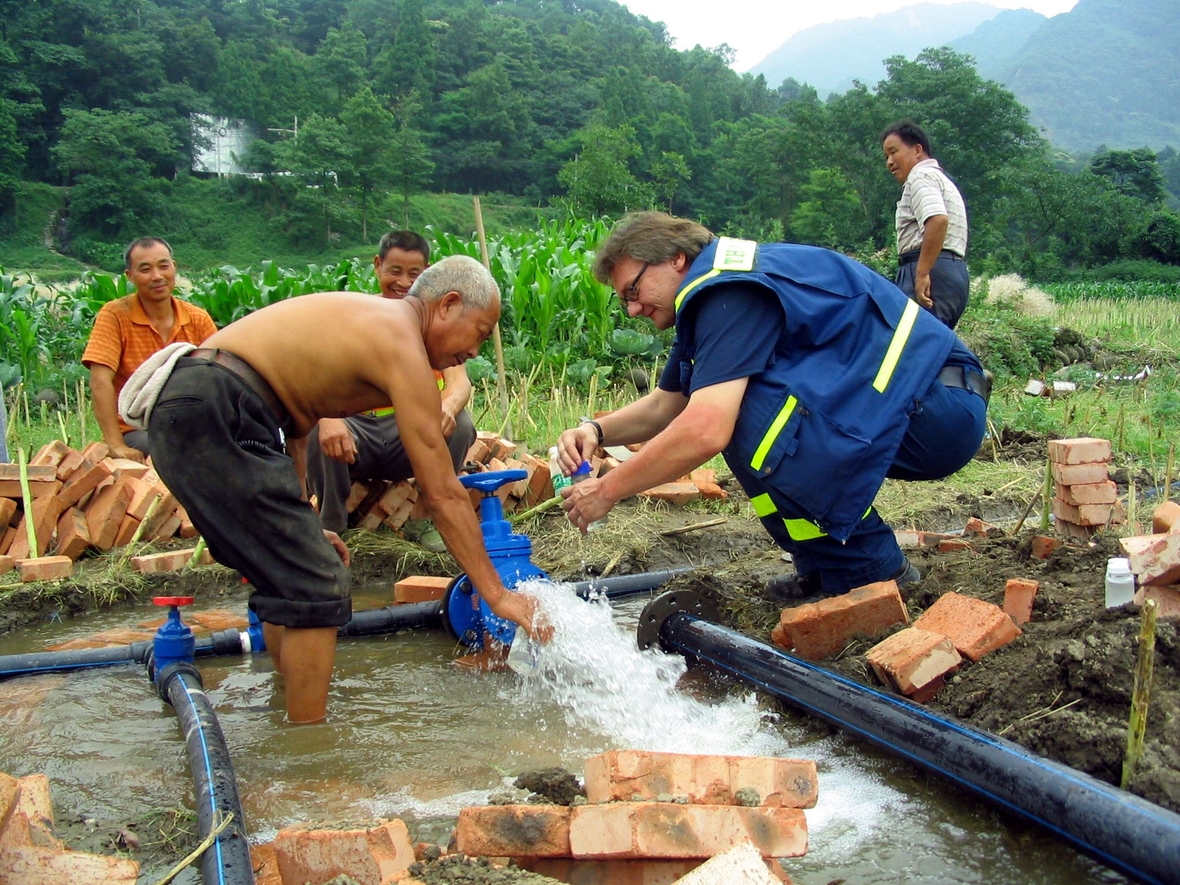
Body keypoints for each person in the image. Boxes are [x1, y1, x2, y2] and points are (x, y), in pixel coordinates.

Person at [126, 255, 544, 723]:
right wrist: (498, 595)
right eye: (480, 333)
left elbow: (297, 425)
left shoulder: (371, 327)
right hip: (216, 405)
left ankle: (289, 716)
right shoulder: (399, 339)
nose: (474, 352)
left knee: (290, 577)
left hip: (211, 408)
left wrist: (304, 518)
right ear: (447, 305)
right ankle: (308, 757)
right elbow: (443, 493)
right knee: (316, 583)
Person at [555, 212, 989, 601]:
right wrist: (596, 431)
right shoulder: (715, 290)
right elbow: (668, 404)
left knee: (741, 414)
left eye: (633, 289)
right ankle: (824, 564)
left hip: (938, 407)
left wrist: (608, 490)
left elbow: (705, 428)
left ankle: (871, 569)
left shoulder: (729, 292)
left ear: (676, 259)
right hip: (913, 403)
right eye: (623, 299)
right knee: (735, 406)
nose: (631, 309)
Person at [304, 231, 476, 551]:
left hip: (409, 436)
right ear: (377, 266)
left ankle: (425, 516)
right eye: (395, 271)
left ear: (429, 272)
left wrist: (448, 407)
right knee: (317, 428)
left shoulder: (435, 326)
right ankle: (331, 526)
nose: (403, 282)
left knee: (462, 424)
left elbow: (459, 382)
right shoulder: (355, 318)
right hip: (358, 435)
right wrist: (327, 417)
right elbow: (314, 378)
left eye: (415, 273)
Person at [81, 237, 218, 462]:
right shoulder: (115, 315)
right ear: (130, 276)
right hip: (137, 429)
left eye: (163, 266)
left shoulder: (198, 319)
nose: (157, 276)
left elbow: (219, 378)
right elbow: (100, 382)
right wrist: (115, 444)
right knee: (179, 452)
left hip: (191, 425)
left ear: (174, 266)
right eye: (145, 269)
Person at [881, 120, 970, 330]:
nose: (890, 162)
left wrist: (921, 274)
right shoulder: (941, 180)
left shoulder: (920, 177)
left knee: (914, 348)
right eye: (886, 157)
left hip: (929, 271)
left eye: (894, 152)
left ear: (917, 149)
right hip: (950, 271)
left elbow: (937, 219)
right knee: (932, 347)